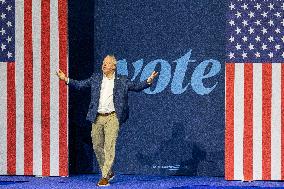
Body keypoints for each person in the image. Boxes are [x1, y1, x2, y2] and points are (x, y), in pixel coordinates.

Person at [57, 55, 158, 186]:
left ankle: (104, 177)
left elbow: (137, 87)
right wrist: (66, 79)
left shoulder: (122, 80)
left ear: (114, 67)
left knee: (109, 146)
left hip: (112, 117)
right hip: (97, 116)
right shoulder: (96, 78)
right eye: (103, 63)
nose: (104, 65)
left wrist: (148, 81)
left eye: (107, 63)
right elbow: (81, 85)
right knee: (97, 146)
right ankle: (109, 171)